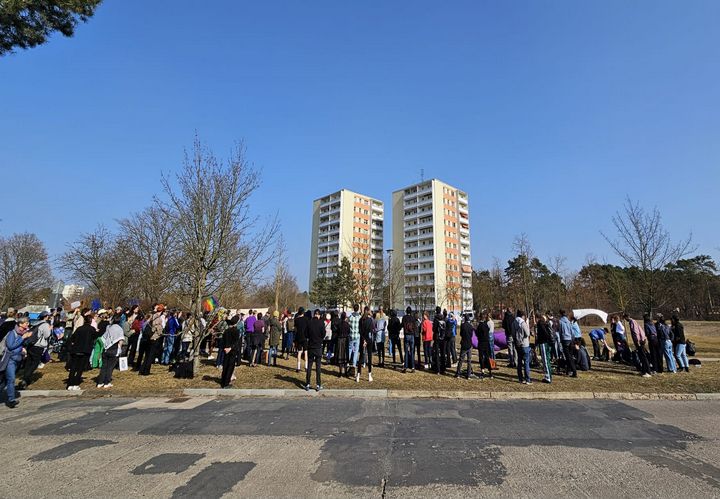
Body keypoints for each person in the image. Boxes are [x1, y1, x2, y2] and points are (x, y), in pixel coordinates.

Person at [0, 316, 33, 407]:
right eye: (26, 323)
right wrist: (23, 338)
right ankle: (11, 400)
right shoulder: (12, 333)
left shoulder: (23, 333)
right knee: (11, 379)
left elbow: (21, 345)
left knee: (5, 381)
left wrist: (23, 348)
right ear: (20, 324)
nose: (28, 324)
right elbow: (10, 346)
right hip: (10, 359)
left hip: (18, 359)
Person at [19, 311, 52, 390]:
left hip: (31, 344)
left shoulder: (36, 323)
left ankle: (26, 379)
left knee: (29, 362)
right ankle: (25, 379)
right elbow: (47, 335)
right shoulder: (45, 325)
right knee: (35, 363)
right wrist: (50, 329)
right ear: (46, 316)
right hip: (38, 346)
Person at [66, 311, 95, 390]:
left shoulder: (79, 329)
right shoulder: (92, 329)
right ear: (91, 321)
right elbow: (94, 338)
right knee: (80, 368)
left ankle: (70, 384)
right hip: (85, 351)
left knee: (73, 367)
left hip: (76, 349)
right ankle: (76, 383)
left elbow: (72, 338)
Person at [98, 320, 125, 388]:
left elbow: (104, 337)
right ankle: (106, 382)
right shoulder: (119, 329)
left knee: (104, 367)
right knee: (110, 367)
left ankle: (100, 382)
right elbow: (120, 340)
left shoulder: (109, 327)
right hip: (114, 349)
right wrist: (119, 349)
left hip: (106, 349)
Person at [140, 304, 165, 376]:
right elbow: (159, 330)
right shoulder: (158, 319)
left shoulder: (151, 316)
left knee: (147, 355)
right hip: (154, 338)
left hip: (148, 338)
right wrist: (161, 332)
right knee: (150, 356)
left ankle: (142, 370)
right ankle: (146, 371)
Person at [624, 313, 651, 377]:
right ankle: (644, 371)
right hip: (641, 340)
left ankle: (648, 372)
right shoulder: (634, 321)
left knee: (643, 356)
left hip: (639, 341)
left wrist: (637, 341)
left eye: (625, 318)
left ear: (627, 317)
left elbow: (635, 332)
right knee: (642, 356)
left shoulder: (632, 322)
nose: (625, 320)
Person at [305, 309, 325, 391]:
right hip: (318, 346)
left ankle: (308, 383)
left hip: (311, 346)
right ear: (319, 315)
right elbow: (323, 334)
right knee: (318, 367)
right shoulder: (321, 323)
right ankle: (318, 384)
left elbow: (306, 334)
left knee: (309, 366)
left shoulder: (309, 323)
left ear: (314, 315)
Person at [220, 316, 241, 388]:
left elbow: (223, 341)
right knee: (230, 366)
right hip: (232, 350)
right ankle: (226, 383)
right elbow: (236, 342)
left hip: (226, 349)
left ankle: (223, 381)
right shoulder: (236, 331)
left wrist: (225, 348)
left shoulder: (226, 331)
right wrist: (230, 348)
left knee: (225, 365)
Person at [512, 310, 532, 384]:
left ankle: (520, 378)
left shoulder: (514, 322)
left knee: (519, 362)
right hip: (525, 344)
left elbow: (513, 333)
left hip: (518, 344)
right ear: (522, 316)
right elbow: (527, 333)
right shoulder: (523, 323)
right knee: (526, 362)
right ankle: (527, 379)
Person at [356, 306, 375, 382]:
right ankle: (369, 375)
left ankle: (358, 374)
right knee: (369, 357)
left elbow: (360, 331)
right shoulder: (370, 320)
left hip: (362, 339)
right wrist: (367, 340)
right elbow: (371, 330)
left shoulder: (361, 320)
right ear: (368, 311)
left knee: (361, 357)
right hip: (369, 340)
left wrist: (363, 340)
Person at [454, 314, 474, 379]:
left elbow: (461, 334)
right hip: (469, 344)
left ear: (464, 319)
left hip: (464, 343)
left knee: (461, 360)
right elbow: (471, 335)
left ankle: (458, 373)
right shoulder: (471, 326)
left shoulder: (462, 325)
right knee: (469, 360)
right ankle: (468, 375)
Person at [558, 309, 577, 377]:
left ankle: (574, 371)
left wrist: (560, 340)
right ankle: (568, 370)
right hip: (570, 340)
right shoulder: (568, 321)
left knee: (568, 357)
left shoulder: (560, 322)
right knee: (570, 356)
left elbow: (560, 332)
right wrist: (573, 340)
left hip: (564, 339)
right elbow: (572, 332)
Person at [535, 314, 553, 383]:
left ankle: (548, 377)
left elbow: (545, 334)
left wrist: (540, 340)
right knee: (547, 359)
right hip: (546, 343)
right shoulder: (545, 323)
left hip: (543, 343)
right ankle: (548, 375)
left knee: (545, 360)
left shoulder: (540, 324)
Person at [476, 314, 493, 379]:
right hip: (487, 343)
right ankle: (490, 372)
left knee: (481, 358)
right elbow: (488, 330)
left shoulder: (480, 326)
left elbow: (477, 334)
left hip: (481, 343)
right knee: (488, 357)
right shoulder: (486, 325)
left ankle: (482, 371)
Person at [431, 307, 447, 374]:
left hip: (437, 338)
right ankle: (443, 369)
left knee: (437, 354)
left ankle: (437, 370)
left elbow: (434, 329)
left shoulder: (435, 319)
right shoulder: (444, 318)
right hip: (443, 338)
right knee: (443, 353)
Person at [401, 307, 417, 373]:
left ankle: (405, 367)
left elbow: (401, 325)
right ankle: (413, 367)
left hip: (406, 335)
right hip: (412, 335)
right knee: (412, 351)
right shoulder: (413, 318)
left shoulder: (404, 317)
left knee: (406, 352)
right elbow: (415, 327)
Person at [335, 312, 350, 377]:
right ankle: (346, 372)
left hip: (340, 340)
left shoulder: (339, 324)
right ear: (345, 317)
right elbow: (349, 332)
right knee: (346, 356)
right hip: (346, 340)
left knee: (340, 356)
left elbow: (337, 332)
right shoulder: (347, 324)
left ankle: (340, 372)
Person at [348, 304, 361, 374]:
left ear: (353, 308)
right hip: (357, 336)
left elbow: (348, 324)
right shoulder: (359, 317)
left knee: (349, 349)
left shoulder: (350, 317)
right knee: (356, 351)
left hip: (351, 335)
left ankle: (348, 361)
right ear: (358, 309)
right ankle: (353, 364)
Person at [294, 307, 309, 373]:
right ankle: (306, 367)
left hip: (299, 337)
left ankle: (298, 367)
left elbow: (295, 329)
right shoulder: (306, 319)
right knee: (305, 352)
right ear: (303, 312)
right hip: (305, 337)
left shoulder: (296, 320)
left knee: (299, 352)